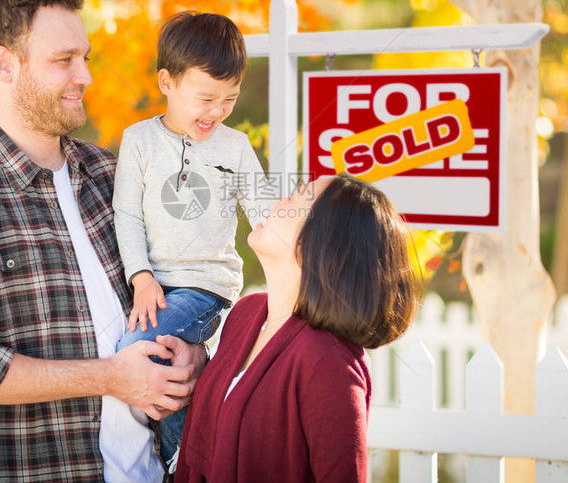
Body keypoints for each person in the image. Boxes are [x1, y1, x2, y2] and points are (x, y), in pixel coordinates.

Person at [0, 0, 206, 483]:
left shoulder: (115, 176)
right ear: (5, 65)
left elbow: (182, 287)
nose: (85, 76)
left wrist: (193, 352)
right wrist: (110, 378)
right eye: (63, 60)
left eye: (85, 57)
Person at [174, 173, 421, 483]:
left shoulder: (329, 362)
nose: (277, 202)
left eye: (293, 201)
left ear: (322, 242)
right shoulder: (246, 313)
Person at [112, 11, 274, 468]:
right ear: (167, 82)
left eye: (229, 99)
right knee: (148, 352)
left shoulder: (235, 146)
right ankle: (184, 454)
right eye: (206, 98)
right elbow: (126, 215)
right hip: (156, 287)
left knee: (136, 348)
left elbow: (264, 212)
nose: (217, 112)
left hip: (206, 289)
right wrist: (142, 278)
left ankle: (184, 456)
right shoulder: (138, 142)